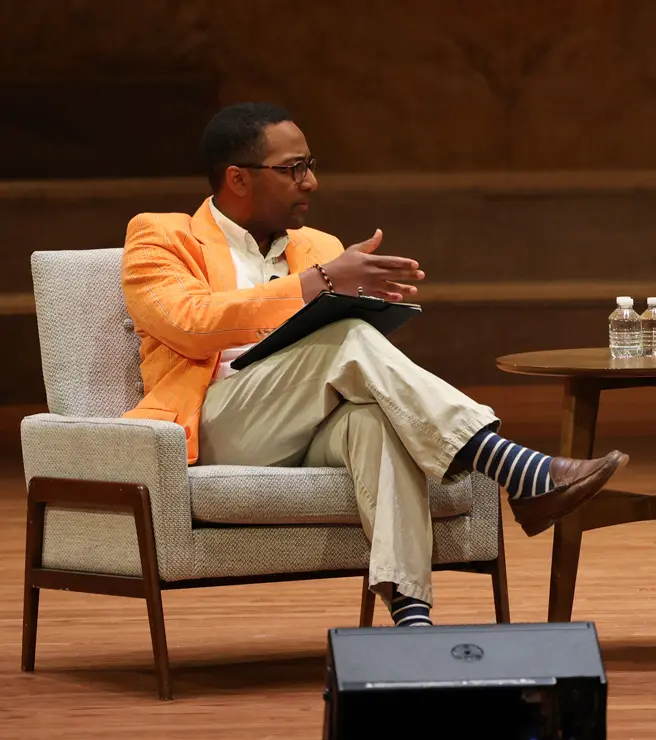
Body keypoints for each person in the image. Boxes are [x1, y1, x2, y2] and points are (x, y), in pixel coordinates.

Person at [120, 102, 628, 627]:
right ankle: (509, 464)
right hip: (218, 423)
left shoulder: (318, 247)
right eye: (294, 169)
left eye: (311, 165)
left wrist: (353, 297)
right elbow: (189, 322)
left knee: (379, 421)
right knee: (346, 335)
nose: (311, 182)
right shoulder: (161, 236)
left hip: (306, 421)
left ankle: (412, 617)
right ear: (238, 179)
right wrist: (320, 285)